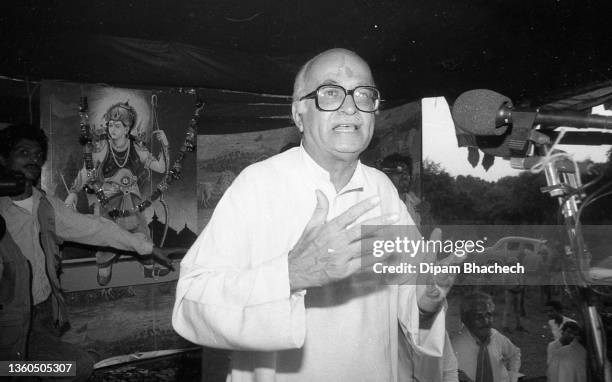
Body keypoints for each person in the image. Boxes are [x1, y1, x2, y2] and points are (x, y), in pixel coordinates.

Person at [173, 48, 451, 381]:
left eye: (365, 94)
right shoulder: (258, 185)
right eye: (330, 93)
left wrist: (424, 301)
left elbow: (410, 291)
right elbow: (190, 304)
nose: (351, 106)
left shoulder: (383, 191)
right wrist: (290, 274)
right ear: (299, 114)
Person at [0, 123, 175, 381]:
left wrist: (148, 247)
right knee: (25, 371)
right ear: (3, 158)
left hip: (42, 313)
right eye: (24, 153)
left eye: (38, 156)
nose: (33, 161)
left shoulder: (46, 204)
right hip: (7, 318)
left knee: (69, 367)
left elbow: (96, 228)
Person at [65, 101, 170, 285]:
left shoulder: (137, 148)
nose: (112, 129)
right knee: (106, 235)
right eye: (110, 125)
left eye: (117, 125)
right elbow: (86, 171)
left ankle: (148, 266)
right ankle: (105, 264)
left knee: (141, 234)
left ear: (127, 128)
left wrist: (165, 146)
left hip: (133, 201)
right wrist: (73, 192)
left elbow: (161, 168)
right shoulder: (102, 148)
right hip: (108, 200)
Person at [451, 292, 521, 382]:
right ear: (465, 319)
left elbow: (514, 353)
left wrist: (513, 375)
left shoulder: (496, 336)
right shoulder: (455, 345)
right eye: (478, 316)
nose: (486, 321)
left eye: (489, 314)